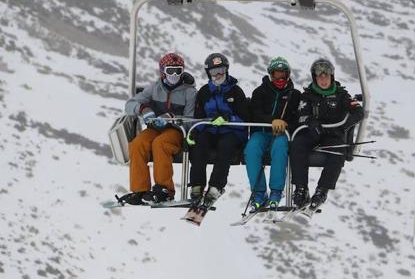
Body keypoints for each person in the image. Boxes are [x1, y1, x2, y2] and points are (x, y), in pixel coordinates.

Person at [289, 58, 364, 209]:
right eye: (320, 77)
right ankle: (301, 188)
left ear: (332, 77)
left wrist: (344, 126)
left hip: (332, 134)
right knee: (297, 146)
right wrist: (311, 122)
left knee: (338, 151)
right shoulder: (308, 95)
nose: (323, 80)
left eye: (326, 76)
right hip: (312, 133)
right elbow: (302, 114)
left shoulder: (341, 95)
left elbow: (358, 112)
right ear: (315, 78)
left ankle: (322, 190)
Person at [123, 53, 197, 204]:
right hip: (155, 128)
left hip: (176, 131)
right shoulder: (154, 88)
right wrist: (143, 109)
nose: (175, 75)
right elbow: (129, 105)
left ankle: (165, 190)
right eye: (170, 71)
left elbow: (190, 120)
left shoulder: (189, 92)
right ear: (162, 71)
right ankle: (140, 190)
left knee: (161, 144)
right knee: (137, 144)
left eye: (178, 71)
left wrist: (172, 118)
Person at [188, 53, 249, 203]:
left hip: (232, 132)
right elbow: (199, 117)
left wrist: (228, 119)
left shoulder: (235, 91)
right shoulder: (204, 92)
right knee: (200, 143)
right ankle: (197, 185)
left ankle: (216, 186)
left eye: (221, 70)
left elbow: (246, 118)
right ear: (208, 73)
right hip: (210, 130)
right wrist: (195, 131)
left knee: (226, 145)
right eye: (214, 72)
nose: (218, 74)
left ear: (226, 70)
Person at [243, 57, 301, 212]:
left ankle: (276, 191)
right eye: (276, 75)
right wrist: (272, 120)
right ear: (270, 75)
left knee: (280, 148)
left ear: (288, 75)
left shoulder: (294, 95)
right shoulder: (260, 92)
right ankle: (259, 193)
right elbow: (255, 113)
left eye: (283, 75)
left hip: (281, 134)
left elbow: (297, 117)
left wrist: (286, 124)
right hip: (262, 132)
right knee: (252, 149)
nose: (280, 79)